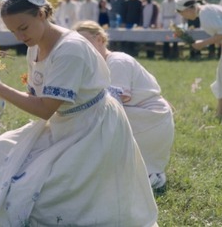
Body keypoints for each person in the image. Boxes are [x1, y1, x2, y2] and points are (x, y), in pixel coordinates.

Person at [0, 0, 157, 226]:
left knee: (50, 189)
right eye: (13, 31)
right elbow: (36, 95)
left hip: (93, 129)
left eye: (23, 28)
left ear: (41, 14)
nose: (19, 36)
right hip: (62, 124)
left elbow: (46, 108)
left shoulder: (70, 49)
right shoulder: (34, 47)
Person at [75, 20, 175, 190]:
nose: (84, 49)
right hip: (142, 116)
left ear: (100, 39)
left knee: (92, 123)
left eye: (86, 42)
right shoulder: (100, 66)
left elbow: (115, 102)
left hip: (149, 118)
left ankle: (145, 173)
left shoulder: (117, 61)